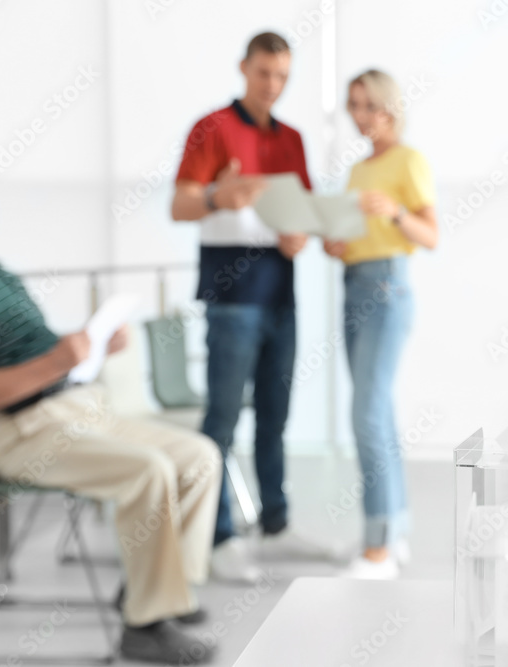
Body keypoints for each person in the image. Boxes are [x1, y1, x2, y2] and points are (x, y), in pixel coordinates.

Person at [0, 163, 222, 664]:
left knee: (199, 456)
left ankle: (153, 589)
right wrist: (57, 361)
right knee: (149, 471)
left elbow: (38, 356)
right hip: (20, 433)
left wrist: (92, 348)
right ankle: (145, 626)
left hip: (76, 410)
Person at [171, 31, 332, 583]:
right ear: (244, 68)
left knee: (274, 416)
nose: (272, 85)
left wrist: (299, 238)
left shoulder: (292, 138)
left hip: (280, 293)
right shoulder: (212, 128)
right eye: (264, 73)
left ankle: (276, 525)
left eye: (282, 76)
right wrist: (219, 195)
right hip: (231, 295)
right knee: (220, 420)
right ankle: (216, 536)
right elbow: (180, 204)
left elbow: (304, 215)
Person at [322, 70, 438, 579]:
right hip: (353, 285)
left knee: (366, 415)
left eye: (367, 105)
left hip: (388, 290)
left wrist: (393, 213)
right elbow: (351, 238)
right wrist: (336, 243)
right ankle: (395, 530)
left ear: (389, 107)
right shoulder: (356, 172)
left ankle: (378, 549)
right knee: (379, 417)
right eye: (352, 105)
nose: (359, 116)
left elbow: (430, 235)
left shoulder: (408, 160)